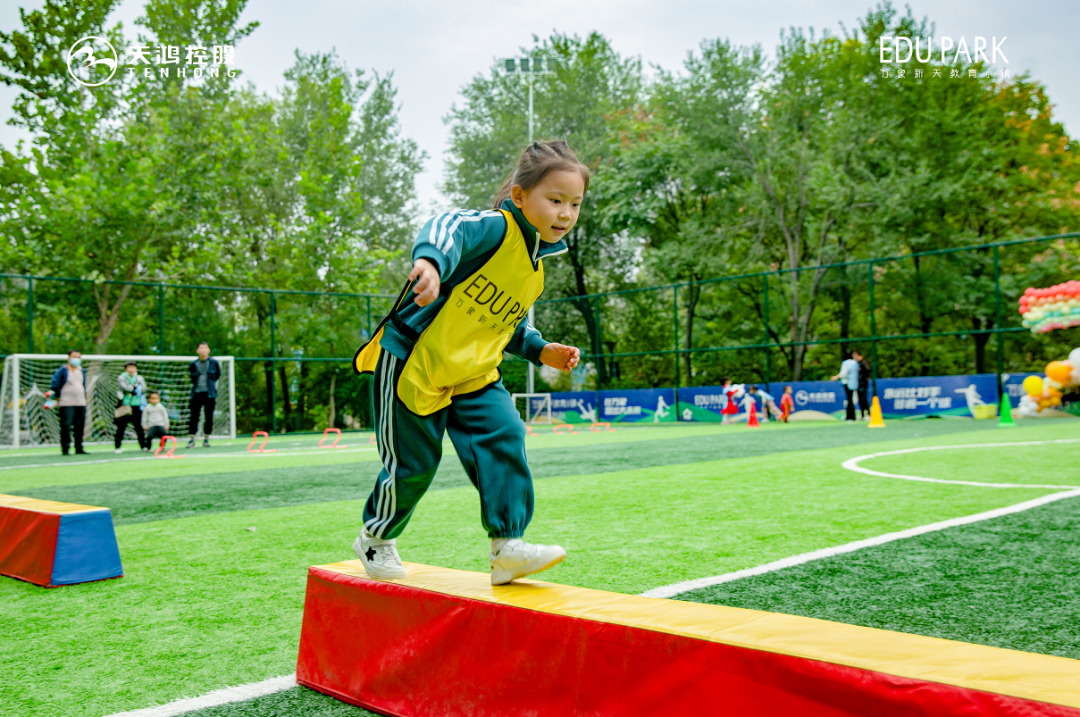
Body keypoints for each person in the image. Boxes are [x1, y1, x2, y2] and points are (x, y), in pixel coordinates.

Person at [351, 139, 585, 586]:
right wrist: (431, 264)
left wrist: (540, 348)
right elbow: (447, 227)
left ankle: (507, 547)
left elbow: (501, 322)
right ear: (519, 197)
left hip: (474, 372)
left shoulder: (535, 269)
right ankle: (376, 538)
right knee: (414, 466)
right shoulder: (494, 229)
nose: (565, 214)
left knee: (505, 432)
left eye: (574, 204)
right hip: (414, 362)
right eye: (554, 200)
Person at [50, 350, 89, 455]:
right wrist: (56, 396)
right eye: (73, 357)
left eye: (78, 357)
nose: (76, 359)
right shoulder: (62, 370)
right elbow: (55, 384)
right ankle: (65, 448)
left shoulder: (82, 371)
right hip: (66, 402)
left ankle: (79, 448)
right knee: (66, 425)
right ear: (68, 358)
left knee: (79, 426)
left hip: (81, 402)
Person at [187, 342, 221, 448]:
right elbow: (192, 378)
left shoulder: (214, 363)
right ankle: (192, 439)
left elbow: (217, 375)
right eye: (201, 348)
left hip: (209, 394)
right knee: (194, 417)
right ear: (197, 350)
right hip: (197, 393)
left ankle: (206, 438)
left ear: (209, 350)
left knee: (209, 416)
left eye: (205, 348)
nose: (203, 350)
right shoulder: (193, 364)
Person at [114, 361, 148, 453]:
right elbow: (126, 388)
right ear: (126, 368)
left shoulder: (139, 377)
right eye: (129, 367)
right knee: (121, 427)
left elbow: (144, 389)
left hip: (137, 404)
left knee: (139, 427)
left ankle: (143, 446)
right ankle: (117, 447)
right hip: (125, 405)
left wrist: (136, 388)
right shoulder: (122, 377)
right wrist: (134, 387)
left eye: (133, 367)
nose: (132, 369)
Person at [831, 350, 861, 422]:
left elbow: (843, 373)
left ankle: (850, 416)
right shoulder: (855, 363)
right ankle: (852, 416)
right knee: (851, 399)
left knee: (849, 399)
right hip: (854, 383)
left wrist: (836, 377)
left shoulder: (845, 363)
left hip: (847, 383)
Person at [854, 350, 872, 420]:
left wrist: (865, 377)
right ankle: (862, 415)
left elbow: (868, 369)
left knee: (864, 399)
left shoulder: (863, 362)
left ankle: (868, 414)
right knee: (860, 400)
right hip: (858, 383)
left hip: (863, 383)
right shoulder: (857, 363)